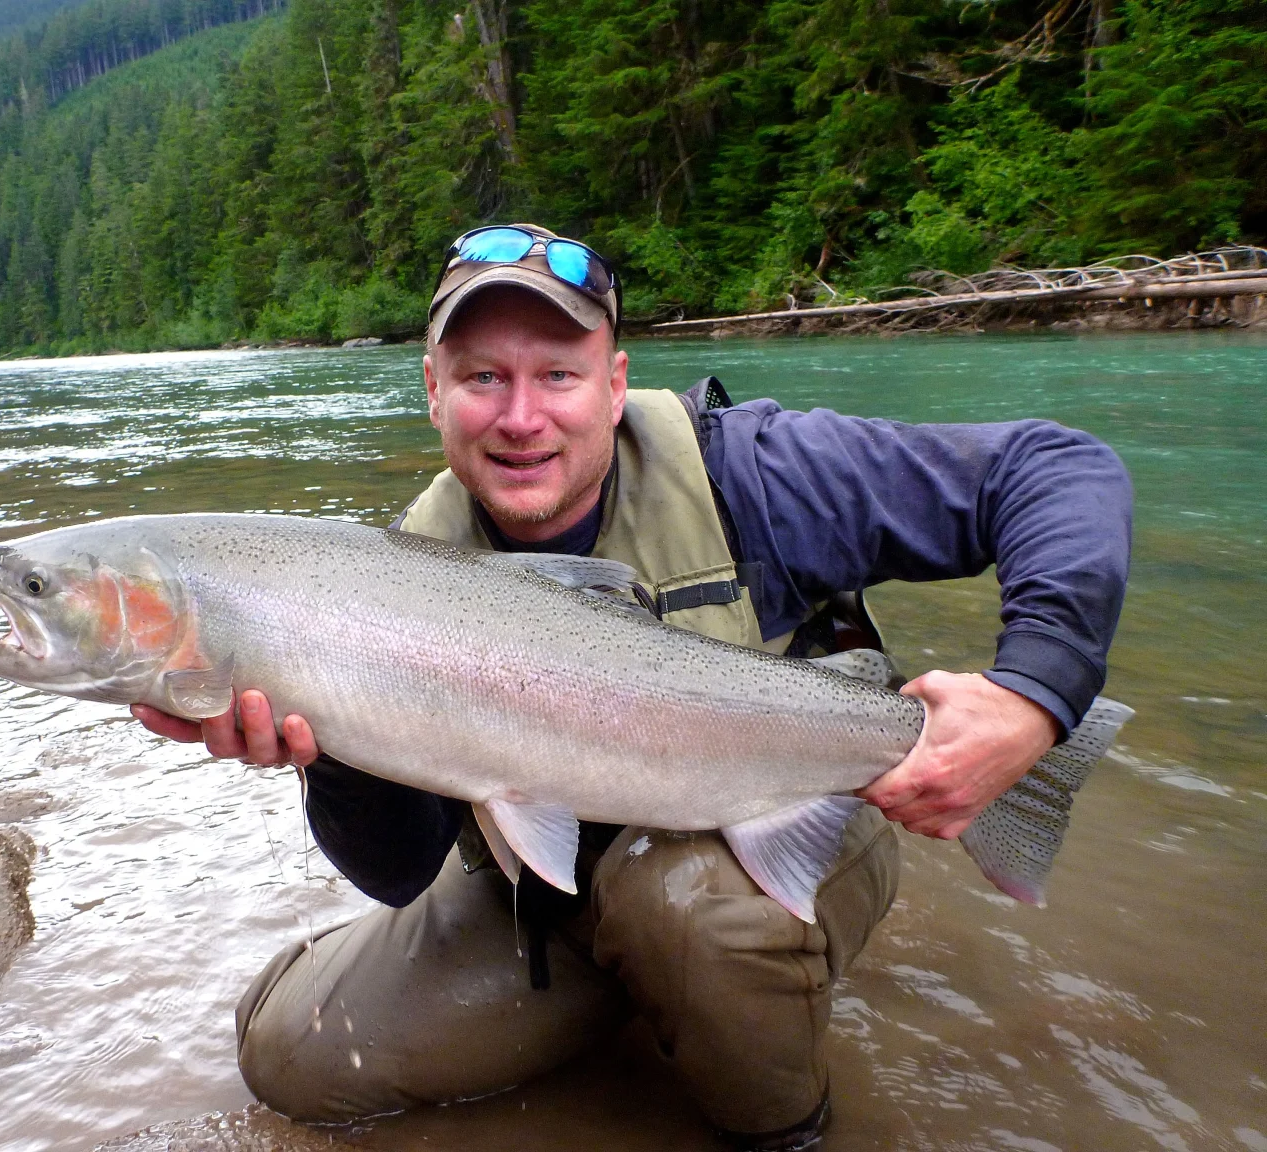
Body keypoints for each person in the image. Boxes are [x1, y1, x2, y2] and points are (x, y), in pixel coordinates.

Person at [134, 224, 1131, 1149]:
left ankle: (784, 1126)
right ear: (433, 391)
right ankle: (643, 1003)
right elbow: (399, 871)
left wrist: (1034, 699)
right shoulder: (390, 577)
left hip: (773, 816)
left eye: (557, 375)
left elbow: (1053, 469)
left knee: (686, 913)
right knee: (290, 1057)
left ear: (613, 386)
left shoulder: (756, 471)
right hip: (553, 896)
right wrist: (327, 758)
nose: (521, 418)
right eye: (483, 376)